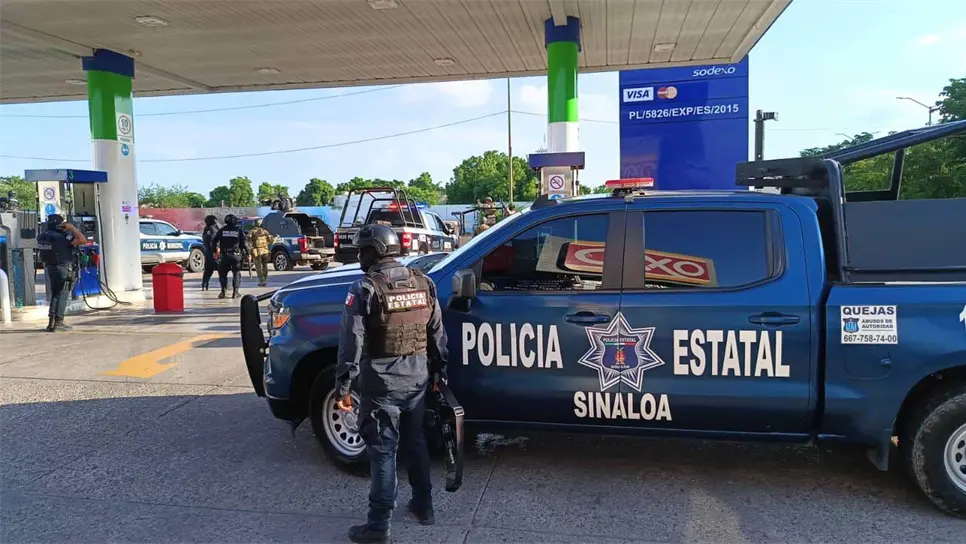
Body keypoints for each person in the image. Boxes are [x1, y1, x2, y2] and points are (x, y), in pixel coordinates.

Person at [334, 224, 449, 544]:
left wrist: (343, 386)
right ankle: (424, 506)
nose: (359, 255)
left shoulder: (364, 289)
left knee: (384, 452)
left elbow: (350, 342)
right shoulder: (422, 283)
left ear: (377, 251)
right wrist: (440, 370)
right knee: (416, 443)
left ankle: (378, 526)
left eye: (363, 249)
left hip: (382, 386)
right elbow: (437, 332)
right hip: (418, 380)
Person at [35, 214, 87, 332]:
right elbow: (82, 240)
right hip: (63, 267)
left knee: (55, 294)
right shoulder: (63, 237)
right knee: (63, 295)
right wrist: (72, 228)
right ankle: (59, 323)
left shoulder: (42, 236)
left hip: (50, 267)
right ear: (61, 224)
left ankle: (51, 322)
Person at [210, 213, 247, 299]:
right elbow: (243, 244)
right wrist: (248, 253)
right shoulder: (238, 231)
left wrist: (214, 251)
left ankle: (223, 292)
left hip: (224, 256)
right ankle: (235, 293)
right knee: (236, 274)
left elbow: (214, 241)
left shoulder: (222, 230)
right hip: (235, 256)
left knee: (222, 274)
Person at [247, 218, 273, 287]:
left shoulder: (252, 232)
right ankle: (265, 279)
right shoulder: (265, 231)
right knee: (265, 266)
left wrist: (249, 252)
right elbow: (270, 240)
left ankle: (262, 281)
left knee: (258, 267)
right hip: (265, 251)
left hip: (257, 252)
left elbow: (248, 242)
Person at [200, 215, 219, 290]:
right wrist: (216, 250)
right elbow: (214, 241)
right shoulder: (213, 229)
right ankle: (224, 286)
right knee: (221, 269)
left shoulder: (206, 229)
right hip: (213, 251)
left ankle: (204, 284)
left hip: (207, 251)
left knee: (208, 269)